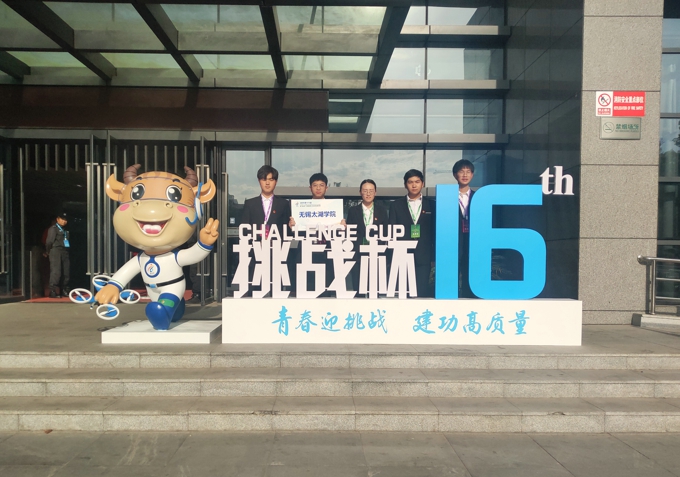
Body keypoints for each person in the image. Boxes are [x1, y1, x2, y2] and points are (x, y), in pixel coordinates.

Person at [240, 165, 292, 297]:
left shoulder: (284, 204)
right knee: (256, 287)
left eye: (271, 179)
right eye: (264, 179)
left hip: (277, 252)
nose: (267, 183)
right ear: (259, 181)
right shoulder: (250, 204)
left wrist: (291, 227)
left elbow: (287, 230)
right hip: (256, 251)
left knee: (276, 288)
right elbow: (245, 229)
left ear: (276, 182)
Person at [389, 169, 435, 298]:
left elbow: (434, 233)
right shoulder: (396, 205)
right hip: (402, 255)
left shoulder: (432, 205)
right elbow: (392, 231)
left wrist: (433, 257)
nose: (414, 185)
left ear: (422, 184)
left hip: (424, 256)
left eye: (417, 182)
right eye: (410, 182)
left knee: (421, 292)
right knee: (403, 293)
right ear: (405, 185)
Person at [288, 173, 334, 297]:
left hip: (326, 253)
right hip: (305, 253)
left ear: (326, 188)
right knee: (305, 291)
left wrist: (341, 226)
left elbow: (337, 234)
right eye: (315, 185)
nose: (318, 188)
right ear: (310, 188)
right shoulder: (301, 208)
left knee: (325, 294)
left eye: (321, 185)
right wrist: (293, 226)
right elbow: (296, 233)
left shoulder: (333, 208)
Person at [344, 179, 389, 296]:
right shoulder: (353, 211)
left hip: (376, 256)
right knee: (358, 290)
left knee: (374, 292)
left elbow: (385, 233)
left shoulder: (382, 211)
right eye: (365, 191)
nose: (368, 194)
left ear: (375, 192)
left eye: (371, 191)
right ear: (360, 192)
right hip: (358, 256)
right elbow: (349, 234)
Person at [453, 159, 476, 298]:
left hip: (472, 242)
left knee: (470, 274)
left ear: (472, 175)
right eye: (461, 171)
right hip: (454, 243)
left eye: (468, 172)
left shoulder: (478, 197)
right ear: (455, 175)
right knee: (452, 277)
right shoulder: (448, 197)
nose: (465, 175)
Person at [44, 211, 70, 298]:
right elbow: (49, 242)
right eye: (62, 219)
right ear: (58, 219)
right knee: (56, 271)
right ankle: (53, 290)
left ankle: (64, 289)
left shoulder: (66, 230)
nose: (64, 221)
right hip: (55, 250)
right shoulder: (53, 229)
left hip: (64, 251)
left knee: (66, 271)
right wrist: (48, 251)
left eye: (65, 220)